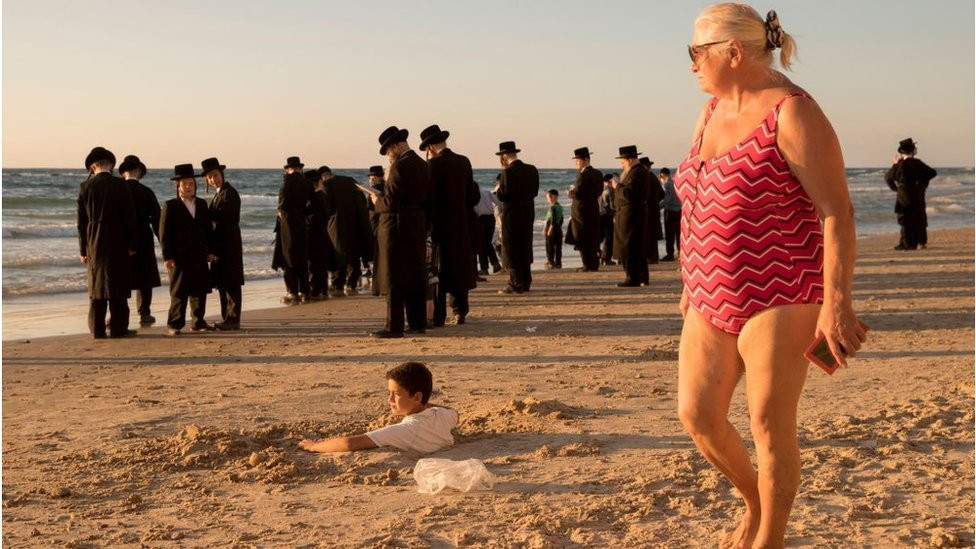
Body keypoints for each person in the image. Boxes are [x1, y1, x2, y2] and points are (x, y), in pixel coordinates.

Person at [675, 5, 867, 548]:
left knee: (767, 423)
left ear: (732, 53)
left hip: (782, 291)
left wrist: (837, 304)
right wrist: (689, 283)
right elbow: (697, 202)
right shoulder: (711, 110)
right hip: (710, 290)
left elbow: (837, 212)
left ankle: (770, 540)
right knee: (698, 416)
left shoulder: (793, 112)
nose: (690, 64)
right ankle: (755, 500)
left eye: (695, 52)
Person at [298, 362, 458, 454]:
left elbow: (349, 444)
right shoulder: (443, 415)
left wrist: (314, 446)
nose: (390, 399)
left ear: (416, 397)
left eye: (395, 394)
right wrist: (426, 404)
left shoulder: (406, 429)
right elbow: (454, 412)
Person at [370, 126, 432, 338]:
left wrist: (376, 201)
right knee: (415, 273)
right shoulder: (423, 165)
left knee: (394, 276)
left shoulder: (399, 167)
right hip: (417, 223)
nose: (388, 155)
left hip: (397, 226)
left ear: (396, 146)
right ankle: (417, 323)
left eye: (388, 150)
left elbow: (391, 202)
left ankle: (393, 326)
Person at [420, 124, 480, 326]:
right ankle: (460, 310)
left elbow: (428, 198)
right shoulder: (464, 161)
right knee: (459, 266)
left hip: (439, 225)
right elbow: (472, 195)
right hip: (461, 223)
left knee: (438, 271)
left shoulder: (432, 166)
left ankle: (438, 315)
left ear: (429, 148)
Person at [77, 147, 139, 339]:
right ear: (111, 165)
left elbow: (81, 222)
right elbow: (130, 217)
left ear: (93, 166)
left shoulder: (84, 187)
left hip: (94, 239)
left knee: (97, 285)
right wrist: (132, 244)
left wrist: (83, 249)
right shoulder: (121, 185)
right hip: (117, 238)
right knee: (118, 285)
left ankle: (97, 329)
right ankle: (119, 329)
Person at [160, 164, 213, 335]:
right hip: (179, 256)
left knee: (199, 291)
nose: (189, 187)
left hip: (199, 254)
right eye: (185, 184)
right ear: (178, 186)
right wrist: (167, 257)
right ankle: (174, 325)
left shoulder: (202, 204)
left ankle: (198, 322)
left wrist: (210, 251)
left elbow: (208, 230)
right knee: (179, 292)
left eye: (191, 183)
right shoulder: (170, 206)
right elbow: (164, 234)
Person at [201, 157, 244, 329]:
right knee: (223, 282)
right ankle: (227, 318)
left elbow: (226, 217)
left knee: (231, 282)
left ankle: (233, 319)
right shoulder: (220, 193)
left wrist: (204, 213)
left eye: (215, 175)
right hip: (221, 243)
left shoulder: (229, 193)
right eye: (209, 177)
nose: (213, 179)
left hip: (229, 243)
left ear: (221, 174)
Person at [119, 154, 162, 327]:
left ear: (123, 173)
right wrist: (164, 243)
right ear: (139, 172)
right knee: (145, 278)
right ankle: (144, 312)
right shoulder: (147, 192)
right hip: (143, 237)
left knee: (121, 278)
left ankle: (119, 313)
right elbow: (157, 220)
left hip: (121, 239)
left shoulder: (117, 190)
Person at [494, 141, 540, 294]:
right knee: (525, 246)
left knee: (511, 248)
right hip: (527, 213)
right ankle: (526, 281)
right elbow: (535, 192)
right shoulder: (532, 169)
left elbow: (504, 196)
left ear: (505, 156)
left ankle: (515, 282)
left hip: (512, 215)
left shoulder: (507, 172)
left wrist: (498, 189)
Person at [322, 166, 372, 296]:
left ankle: (338, 284)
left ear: (323, 176)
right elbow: (361, 198)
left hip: (337, 224)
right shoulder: (350, 180)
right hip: (355, 222)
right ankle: (352, 284)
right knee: (354, 254)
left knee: (340, 254)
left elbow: (327, 206)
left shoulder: (328, 185)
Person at [885, 138, 937, 250]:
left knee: (905, 219)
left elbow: (888, 177)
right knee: (919, 218)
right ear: (913, 151)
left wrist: (896, 188)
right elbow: (932, 173)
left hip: (904, 195)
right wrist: (923, 184)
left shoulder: (899, 165)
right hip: (918, 194)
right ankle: (921, 242)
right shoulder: (918, 163)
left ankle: (907, 243)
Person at [272, 156, 311, 304]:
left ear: (287, 169)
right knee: (301, 257)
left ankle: (292, 292)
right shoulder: (306, 182)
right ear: (300, 168)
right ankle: (305, 291)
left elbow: (282, 203)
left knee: (288, 258)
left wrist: (281, 212)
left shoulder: (287, 180)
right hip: (301, 222)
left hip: (288, 222)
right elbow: (310, 202)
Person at [612, 146, 649, 287]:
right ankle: (641, 277)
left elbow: (629, 194)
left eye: (622, 161)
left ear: (630, 159)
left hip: (631, 214)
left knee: (629, 246)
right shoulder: (637, 171)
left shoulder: (636, 173)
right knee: (636, 246)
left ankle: (632, 277)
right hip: (631, 213)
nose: (621, 164)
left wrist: (617, 187)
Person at [568, 147, 604, 272]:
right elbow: (599, 191)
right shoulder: (598, 174)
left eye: (577, 160)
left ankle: (587, 264)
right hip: (593, 208)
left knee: (582, 237)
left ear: (585, 160)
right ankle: (593, 264)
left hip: (581, 211)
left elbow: (578, 193)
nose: (576, 163)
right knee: (592, 237)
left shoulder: (583, 175)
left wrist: (570, 192)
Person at [306, 167, 334, 300]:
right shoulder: (324, 195)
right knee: (321, 263)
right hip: (324, 232)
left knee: (314, 263)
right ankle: (323, 289)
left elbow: (313, 217)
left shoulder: (314, 197)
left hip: (314, 233)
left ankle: (315, 290)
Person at [365, 165, 385, 296]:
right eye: (370, 178)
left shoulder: (376, 190)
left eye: (373, 178)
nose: (371, 180)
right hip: (382, 222)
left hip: (376, 222)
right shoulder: (386, 187)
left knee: (377, 252)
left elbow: (370, 208)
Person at [473, 186, 503, 275]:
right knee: (487, 242)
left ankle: (484, 268)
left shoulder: (473, 194)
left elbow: (474, 208)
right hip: (491, 218)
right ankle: (495, 264)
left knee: (482, 244)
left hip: (481, 219)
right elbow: (498, 202)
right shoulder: (486, 192)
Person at [640, 157, 664, 264]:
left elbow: (645, 194)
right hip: (655, 209)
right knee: (652, 235)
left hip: (647, 209)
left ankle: (650, 257)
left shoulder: (645, 177)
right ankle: (654, 257)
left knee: (647, 234)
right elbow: (662, 194)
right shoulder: (654, 178)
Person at [658, 167, 681, 261]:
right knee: (678, 233)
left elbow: (667, 200)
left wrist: (658, 207)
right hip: (679, 210)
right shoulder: (676, 183)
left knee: (669, 234)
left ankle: (670, 254)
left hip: (670, 211)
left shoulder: (667, 185)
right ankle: (680, 252)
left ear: (661, 175)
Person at [598, 173, 617, 266]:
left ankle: (600, 256)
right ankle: (606, 259)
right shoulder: (609, 191)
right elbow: (612, 206)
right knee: (609, 238)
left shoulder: (599, 189)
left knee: (600, 237)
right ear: (609, 181)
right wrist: (615, 214)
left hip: (599, 216)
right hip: (607, 216)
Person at [544, 189, 564, 269]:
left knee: (550, 246)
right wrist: (558, 226)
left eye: (548, 197)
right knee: (558, 247)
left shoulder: (552, 207)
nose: (547, 199)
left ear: (553, 197)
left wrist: (549, 229)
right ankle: (558, 262)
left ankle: (550, 262)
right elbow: (561, 219)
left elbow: (553, 218)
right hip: (558, 228)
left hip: (551, 228)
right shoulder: (560, 207)